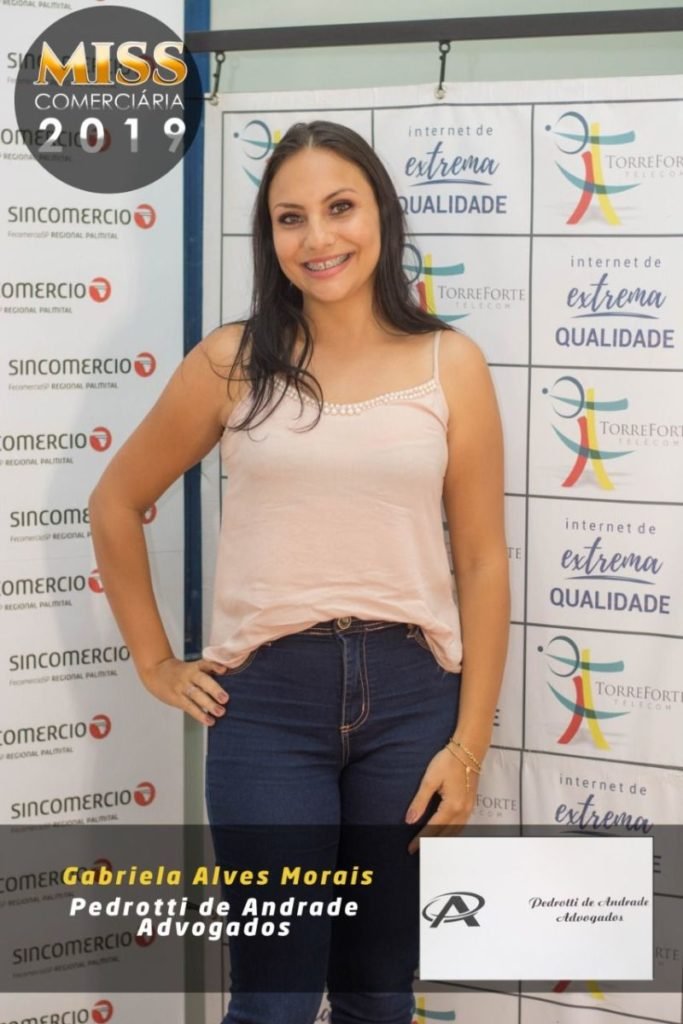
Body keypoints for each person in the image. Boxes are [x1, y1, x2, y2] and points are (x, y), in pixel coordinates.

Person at [89, 120, 510, 1024]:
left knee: (377, 995)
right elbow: (115, 502)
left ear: (380, 214)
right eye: (291, 218)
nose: (318, 237)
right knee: (273, 1004)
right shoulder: (232, 361)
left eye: (339, 207)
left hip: (412, 704)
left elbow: (481, 560)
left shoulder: (451, 364)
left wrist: (467, 747)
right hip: (267, 710)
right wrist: (154, 662)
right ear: (269, 235)